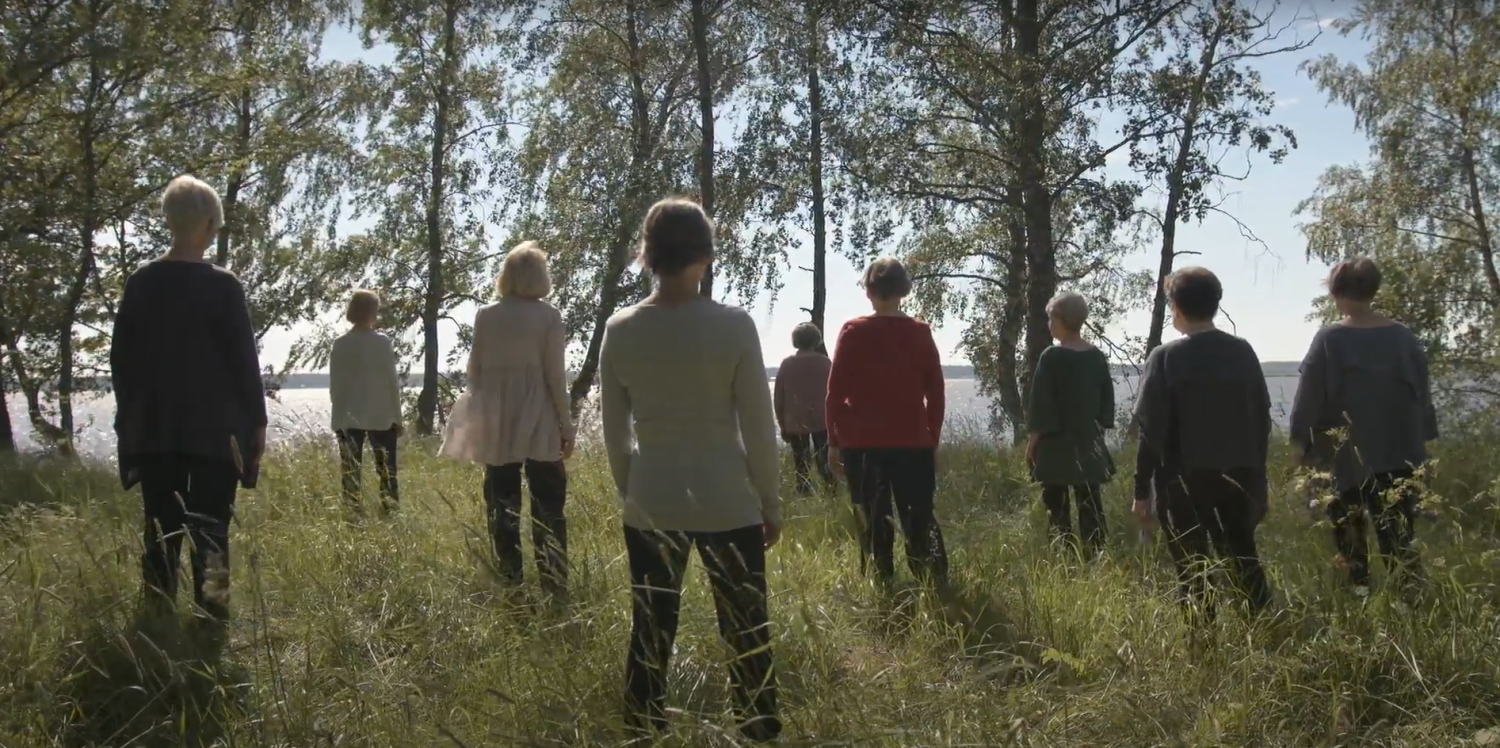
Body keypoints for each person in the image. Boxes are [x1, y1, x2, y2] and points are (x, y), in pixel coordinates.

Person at [599, 198, 781, 742]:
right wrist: (770, 502)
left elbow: (614, 433)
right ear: (704, 254)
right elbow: (758, 425)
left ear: (647, 256)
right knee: (747, 631)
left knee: (650, 632)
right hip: (727, 499)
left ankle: (643, 733)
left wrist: (632, 489)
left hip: (652, 498)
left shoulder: (620, 328)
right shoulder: (734, 325)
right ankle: (758, 733)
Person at [109, 174, 267, 622]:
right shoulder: (223, 285)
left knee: (161, 531)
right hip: (218, 435)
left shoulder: (141, 283)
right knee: (213, 531)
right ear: (210, 225)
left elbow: (122, 361)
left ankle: (157, 615)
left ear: (170, 221)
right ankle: (212, 618)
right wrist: (257, 424)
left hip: (157, 432)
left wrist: (132, 421)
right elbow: (244, 364)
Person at [1289, 257, 1437, 593]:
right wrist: (1425, 441)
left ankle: (1360, 599)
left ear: (1336, 291)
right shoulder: (1404, 338)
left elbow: (1308, 398)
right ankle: (1409, 604)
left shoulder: (1329, 339)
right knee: (1400, 538)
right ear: (1374, 289)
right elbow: (1422, 397)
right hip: (1400, 455)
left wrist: (1299, 445)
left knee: (1350, 538)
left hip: (1346, 462)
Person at [1134, 266, 1273, 619]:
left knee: (1193, 570)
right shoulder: (1242, 352)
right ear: (1215, 303)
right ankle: (1266, 632)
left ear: (1175, 307)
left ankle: (1204, 645)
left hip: (1183, 482)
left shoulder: (1165, 357)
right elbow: (1261, 421)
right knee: (1244, 559)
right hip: (1239, 477)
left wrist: (1141, 491)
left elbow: (1151, 431)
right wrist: (1259, 479)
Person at [440, 242, 575, 594]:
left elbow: (475, 370)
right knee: (548, 504)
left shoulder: (487, 314)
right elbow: (555, 376)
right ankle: (554, 585)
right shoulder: (548, 316)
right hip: (538, 413)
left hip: (497, 416)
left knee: (502, 502)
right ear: (540, 276)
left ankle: (511, 580)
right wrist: (567, 422)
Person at [826, 256, 949, 585]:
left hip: (861, 444)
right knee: (918, 516)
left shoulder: (853, 331)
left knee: (872, 517)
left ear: (869, 291)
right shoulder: (920, 332)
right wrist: (932, 439)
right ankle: (934, 582)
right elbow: (935, 392)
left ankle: (881, 582)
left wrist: (833, 442)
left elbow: (835, 392)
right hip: (913, 443)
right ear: (903, 291)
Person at [1025, 291, 1115, 555]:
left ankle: (1064, 555)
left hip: (1054, 445)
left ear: (1062, 320)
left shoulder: (1051, 356)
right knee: (1090, 502)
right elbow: (1106, 403)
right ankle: (1095, 555)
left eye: (1051, 318)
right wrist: (1098, 429)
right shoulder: (1096, 356)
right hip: (1088, 443)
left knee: (1056, 505)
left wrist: (1032, 443)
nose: (1049, 324)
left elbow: (1041, 404)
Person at [329, 289, 403, 515]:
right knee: (387, 471)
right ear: (372, 312)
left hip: (349, 417)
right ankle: (390, 513)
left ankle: (352, 515)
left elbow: (336, 385)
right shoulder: (381, 343)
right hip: (381, 416)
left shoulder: (341, 344)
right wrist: (397, 418)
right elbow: (391, 382)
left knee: (350, 472)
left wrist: (338, 419)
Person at [775, 322, 835, 495]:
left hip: (795, 422)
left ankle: (804, 496)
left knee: (801, 465)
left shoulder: (787, 365)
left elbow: (778, 397)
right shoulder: (826, 364)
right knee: (825, 463)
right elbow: (835, 394)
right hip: (823, 421)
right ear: (816, 340)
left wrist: (782, 424)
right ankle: (831, 496)